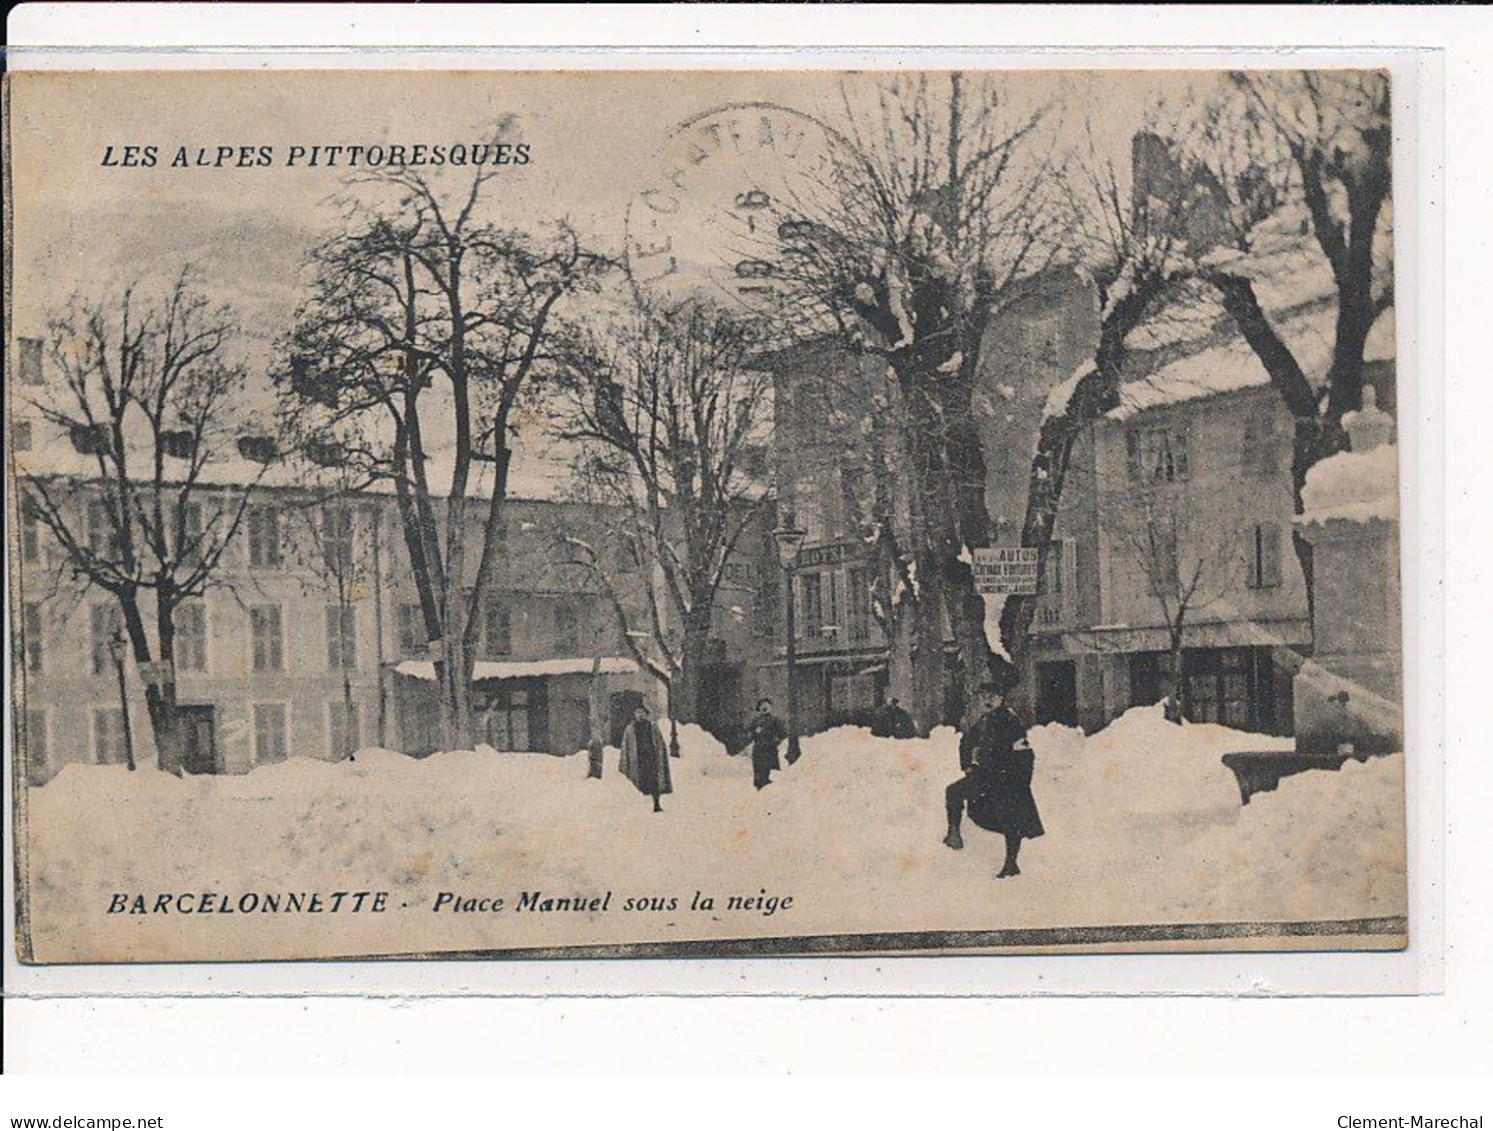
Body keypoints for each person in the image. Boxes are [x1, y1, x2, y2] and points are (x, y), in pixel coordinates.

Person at [942, 679, 1044, 878]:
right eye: (984, 696)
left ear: (1001, 699)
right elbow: (967, 742)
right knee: (954, 791)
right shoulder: (985, 720)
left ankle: (1011, 864)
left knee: (1009, 817)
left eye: (993, 696)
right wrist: (969, 767)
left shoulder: (1010, 720)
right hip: (986, 776)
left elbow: (1025, 753)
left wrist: (1019, 783)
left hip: (1007, 779)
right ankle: (953, 834)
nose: (988, 700)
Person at [620, 703, 672, 812]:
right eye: (638, 712)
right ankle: (638, 807)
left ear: (646, 714)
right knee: (639, 782)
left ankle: (656, 804)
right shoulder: (630, 729)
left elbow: (660, 743)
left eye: (642, 712)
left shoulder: (652, 727)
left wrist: (659, 755)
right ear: (634, 715)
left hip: (651, 759)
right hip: (638, 760)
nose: (640, 715)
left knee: (654, 782)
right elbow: (626, 747)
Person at [746, 697, 786, 790]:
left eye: (766, 705)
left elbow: (783, 733)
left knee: (771, 773)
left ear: (770, 707)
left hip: (770, 749)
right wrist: (755, 732)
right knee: (759, 772)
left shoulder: (775, 720)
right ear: (759, 708)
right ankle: (759, 790)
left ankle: (771, 792)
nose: (764, 707)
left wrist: (775, 739)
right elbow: (748, 734)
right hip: (758, 750)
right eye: (762, 705)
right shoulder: (756, 721)